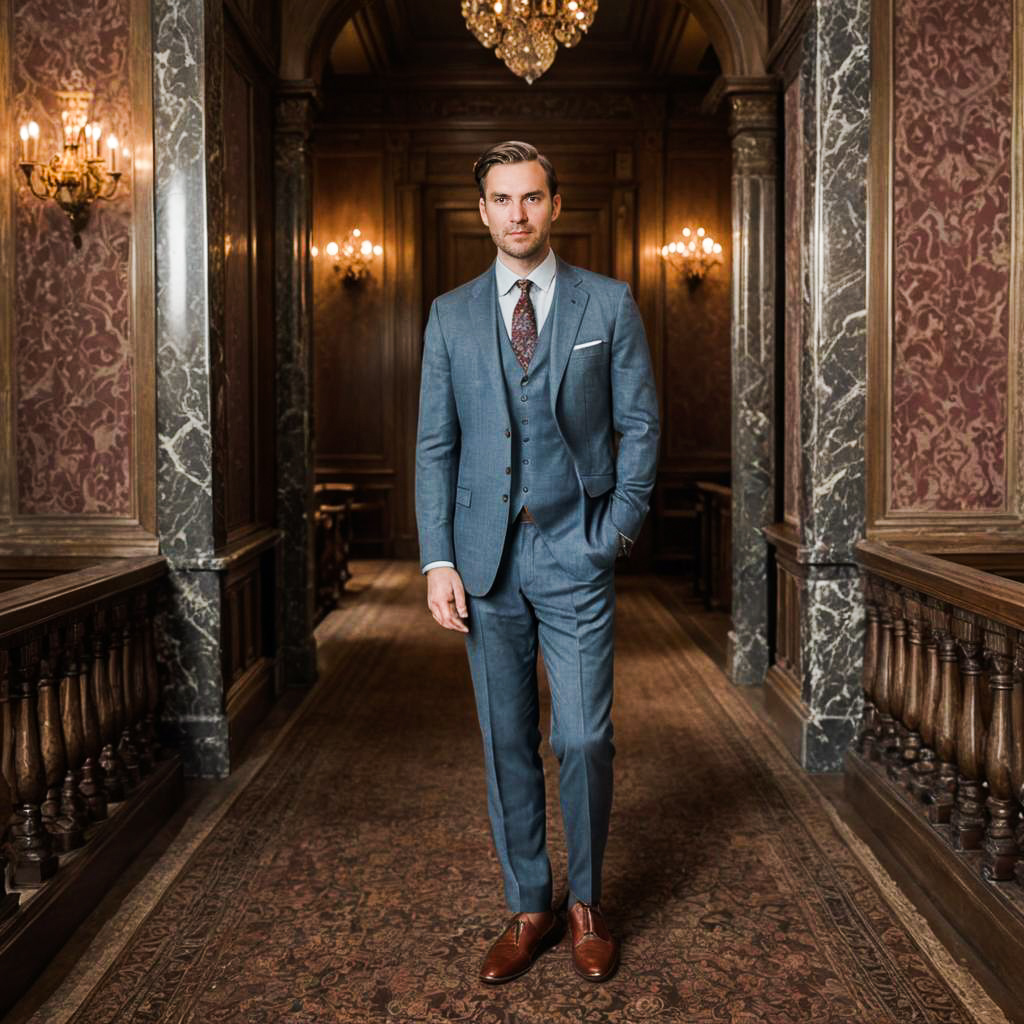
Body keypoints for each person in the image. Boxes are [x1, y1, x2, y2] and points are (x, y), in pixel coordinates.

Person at [415, 140, 659, 984]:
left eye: (531, 198)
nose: (517, 213)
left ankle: (587, 900)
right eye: (501, 199)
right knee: (506, 737)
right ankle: (531, 904)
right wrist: (438, 559)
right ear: (481, 211)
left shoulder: (608, 304)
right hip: (484, 562)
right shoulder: (449, 315)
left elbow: (641, 425)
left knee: (584, 735)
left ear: (556, 204)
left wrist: (615, 530)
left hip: (575, 550)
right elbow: (435, 447)